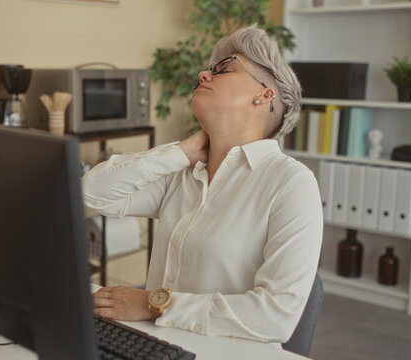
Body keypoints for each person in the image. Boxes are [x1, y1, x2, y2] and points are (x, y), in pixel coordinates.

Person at [82, 25, 323, 346]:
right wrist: (181, 151)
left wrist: (154, 303)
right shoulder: (183, 170)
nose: (202, 75)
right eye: (209, 69)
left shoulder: (291, 184)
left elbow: (276, 315)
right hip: (153, 344)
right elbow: (92, 193)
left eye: (224, 69)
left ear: (265, 94)